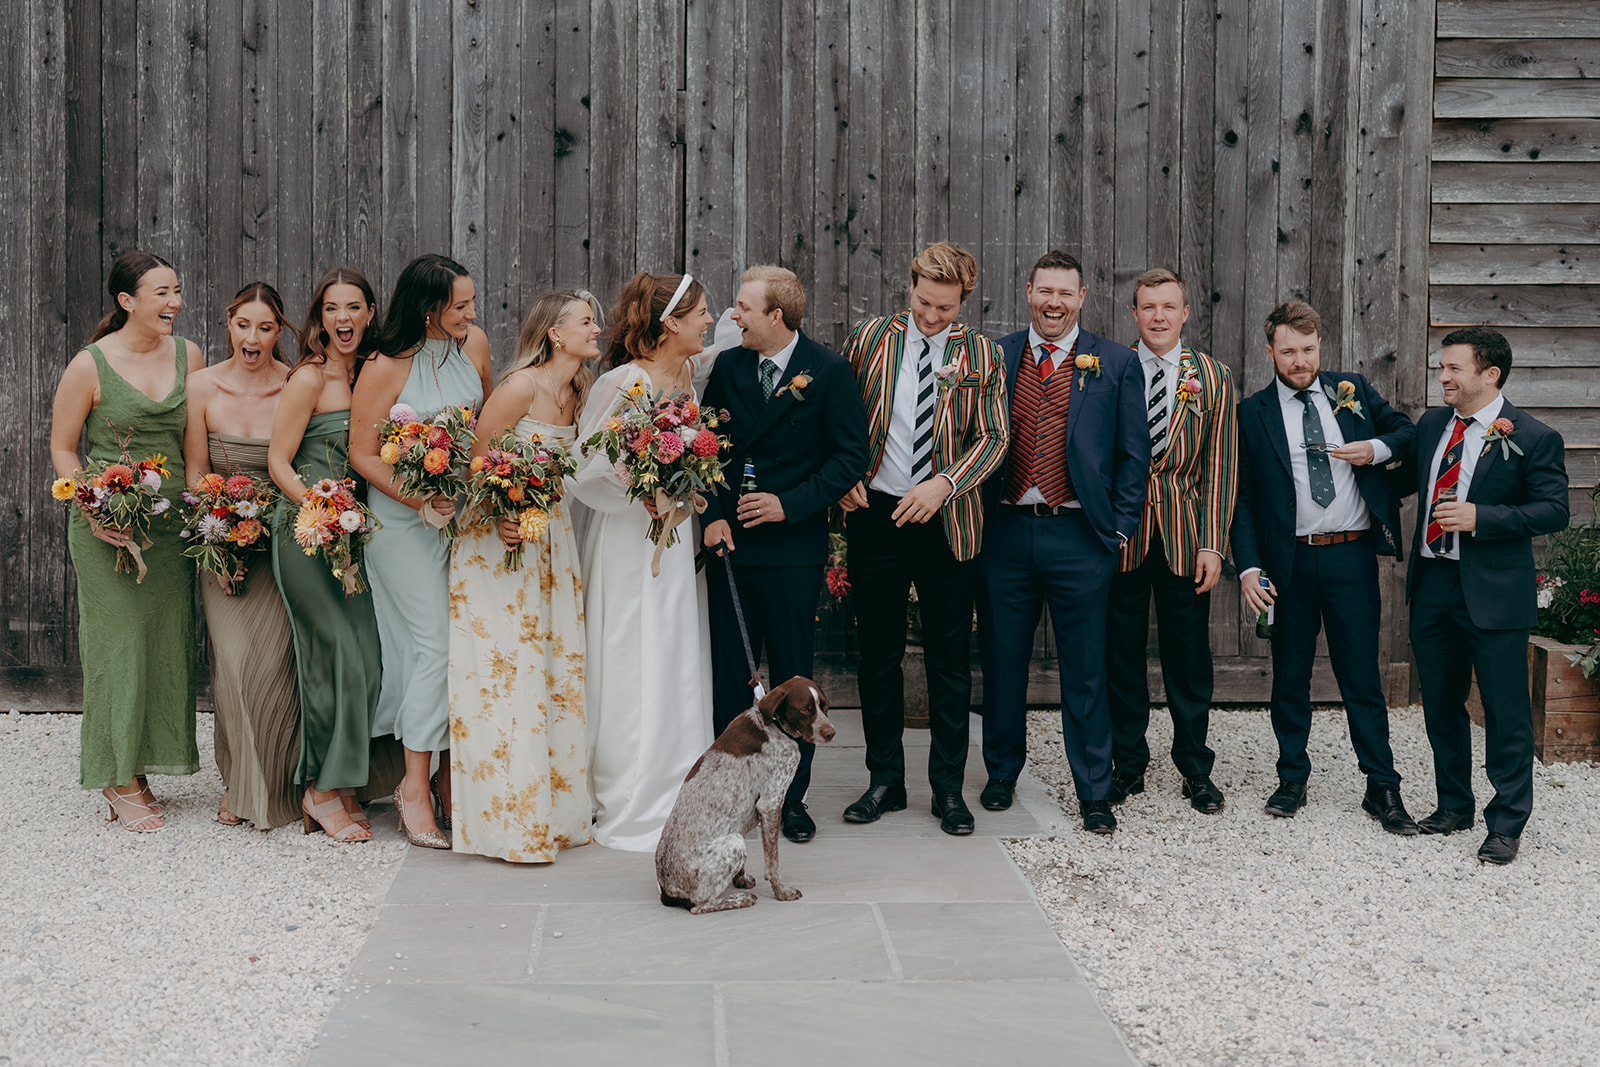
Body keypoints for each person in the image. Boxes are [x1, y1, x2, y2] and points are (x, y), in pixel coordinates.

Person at [832, 244, 1005, 837]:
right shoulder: (869, 339)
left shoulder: (982, 353)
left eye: (945, 308)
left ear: (965, 300)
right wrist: (844, 475)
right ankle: (885, 781)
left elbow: (994, 437)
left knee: (949, 662)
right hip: (876, 514)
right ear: (909, 287)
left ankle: (948, 789)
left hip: (946, 519)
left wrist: (944, 484)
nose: (932, 317)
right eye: (923, 303)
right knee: (877, 655)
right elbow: (839, 415)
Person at [978, 250, 1148, 835]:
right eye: (1044, 291)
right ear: (1028, 291)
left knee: (1085, 669)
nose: (1054, 302)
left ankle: (1095, 790)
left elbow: (1133, 456)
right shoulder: (995, 356)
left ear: (1081, 298)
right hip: (1004, 532)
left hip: (1080, 535)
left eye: (1065, 293)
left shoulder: (1116, 362)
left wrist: (1118, 531)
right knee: (1003, 663)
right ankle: (1002, 773)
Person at [1232, 300, 1418, 832]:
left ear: (1321, 347)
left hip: (1350, 557)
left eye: (1308, 350)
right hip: (1287, 562)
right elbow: (1242, 499)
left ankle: (1381, 786)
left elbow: (1406, 432)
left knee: (1361, 677)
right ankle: (1292, 778)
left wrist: (1374, 449)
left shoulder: (1351, 390)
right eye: (1288, 351)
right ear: (1270, 351)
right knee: (1289, 676)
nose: (1300, 361)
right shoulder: (1252, 412)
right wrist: (1248, 568)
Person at [700, 265, 870, 843]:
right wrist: (713, 513)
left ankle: (790, 801)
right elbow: (708, 448)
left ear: (776, 316)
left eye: (744, 307)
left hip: (793, 550)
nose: (734, 316)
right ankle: (732, 792)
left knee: (796, 682)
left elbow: (849, 458)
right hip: (731, 545)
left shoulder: (829, 370)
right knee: (732, 673)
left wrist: (788, 505)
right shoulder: (728, 366)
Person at [50, 250, 204, 832]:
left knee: (164, 644)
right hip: (108, 527)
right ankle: (117, 777)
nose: (175, 302)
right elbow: (63, 448)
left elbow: (194, 449)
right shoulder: (88, 365)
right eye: (162, 293)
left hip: (169, 527)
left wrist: (209, 518)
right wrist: (91, 509)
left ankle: (142, 765)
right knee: (117, 644)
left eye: (177, 291)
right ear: (126, 301)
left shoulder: (189, 355)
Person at [1404, 327, 1568, 865]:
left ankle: (1506, 823)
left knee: (1505, 711)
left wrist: (1483, 517)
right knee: (1440, 704)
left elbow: (1555, 510)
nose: (1443, 377)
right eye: (1442, 367)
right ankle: (1454, 805)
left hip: (1495, 592)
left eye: (1454, 368)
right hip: (1433, 584)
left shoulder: (1535, 436)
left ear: (1490, 374)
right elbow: (1406, 476)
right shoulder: (1432, 425)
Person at [448, 289, 600, 862]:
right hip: (498, 539)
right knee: (504, 672)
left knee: (551, 668)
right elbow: (475, 463)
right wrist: (502, 517)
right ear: (555, 334)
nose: (596, 329)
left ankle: (552, 812)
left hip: (551, 537)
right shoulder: (520, 386)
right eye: (586, 321)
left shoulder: (579, 390)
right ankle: (504, 821)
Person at [350, 254, 493, 849]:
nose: (472, 313)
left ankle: (445, 778)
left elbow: (486, 431)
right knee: (432, 644)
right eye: (461, 305)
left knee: (456, 642)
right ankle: (413, 787)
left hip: (461, 520)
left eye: (471, 302)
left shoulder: (473, 347)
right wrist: (420, 500)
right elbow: (363, 453)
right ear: (429, 309)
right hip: (402, 525)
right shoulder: (384, 364)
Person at [574, 272, 718, 852]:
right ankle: (629, 788)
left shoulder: (689, 373)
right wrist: (644, 491)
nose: (711, 320)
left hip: (676, 536)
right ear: (671, 323)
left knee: (675, 648)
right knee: (631, 649)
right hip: (631, 538)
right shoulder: (624, 381)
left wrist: (680, 491)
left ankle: (679, 780)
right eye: (702, 312)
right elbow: (585, 464)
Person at [269, 266, 400, 843]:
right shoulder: (309, 378)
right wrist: (320, 509)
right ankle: (319, 791)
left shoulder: (375, 372)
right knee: (332, 656)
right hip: (306, 533)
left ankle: (343, 782)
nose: (342, 318)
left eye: (353, 307)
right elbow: (278, 462)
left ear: (370, 312)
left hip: (357, 535)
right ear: (319, 318)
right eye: (331, 308)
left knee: (367, 659)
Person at [1105, 269, 1238, 812]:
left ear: (1185, 313)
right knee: (1121, 655)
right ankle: (1126, 764)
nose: (1158, 316)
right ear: (1134, 314)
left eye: (1168, 307)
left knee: (1188, 659)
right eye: (1148, 307)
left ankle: (1195, 768)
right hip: (1123, 536)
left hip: (1185, 539)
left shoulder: (1212, 376)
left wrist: (1213, 543)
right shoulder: (1111, 368)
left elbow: (1221, 466)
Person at [182, 281, 302, 828]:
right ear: (229, 323)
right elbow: (195, 469)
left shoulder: (294, 384)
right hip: (222, 539)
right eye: (243, 325)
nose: (253, 337)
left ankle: (277, 780)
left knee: (276, 662)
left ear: (279, 332)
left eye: (266, 327)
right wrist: (221, 527)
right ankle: (238, 782)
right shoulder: (201, 386)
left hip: (279, 538)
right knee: (231, 661)